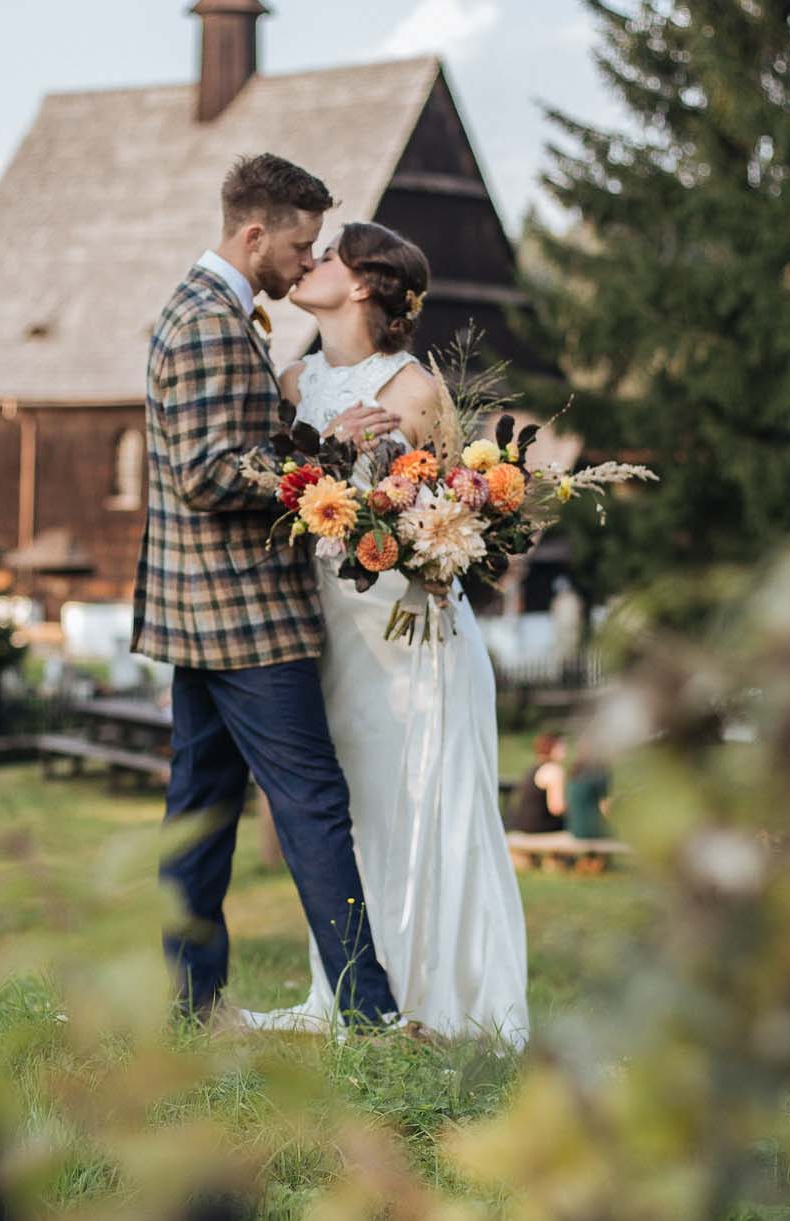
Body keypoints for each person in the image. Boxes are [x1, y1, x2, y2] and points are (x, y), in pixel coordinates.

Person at [238, 220, 531, 1049]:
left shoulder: (415, 391)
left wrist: (429, 546)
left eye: (328, 257)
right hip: (335, 633)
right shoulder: (293, 382)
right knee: (352, 810)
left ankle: (444, 999)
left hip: (414, 632)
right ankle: (355, 990)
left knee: (423, 801)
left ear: (364, 284)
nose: (310, 264)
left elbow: (462, 508)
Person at [133, 154, 404, 1032]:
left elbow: (229, 443)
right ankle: (369, 1017)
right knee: (314, 806)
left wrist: (304, 436)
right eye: (299, 242)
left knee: (201, 814)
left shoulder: (211, 309)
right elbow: (210, 473)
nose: (305, 260)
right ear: (255, 233)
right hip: (244, 615)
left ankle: (190, 1007)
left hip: (201, 612)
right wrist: (322, 447)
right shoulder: (211, 321)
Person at [506, 732, 567, 834]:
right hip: (541, 827)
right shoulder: (553, 770)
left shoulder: (533, 768)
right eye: (561, 747)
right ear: (552, 748)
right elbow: (556, 808)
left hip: (522, 826)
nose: (565, 750)